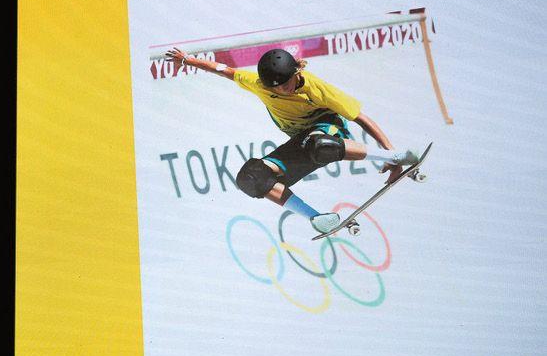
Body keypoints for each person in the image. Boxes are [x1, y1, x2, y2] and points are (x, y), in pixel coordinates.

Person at [165, 47, 422, 234]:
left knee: (319, 146)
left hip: (327, 129)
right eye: (275, 88)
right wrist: (188, 60)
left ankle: (394, 156)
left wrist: (393, 154)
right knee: (252, 178)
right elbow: (224, 70)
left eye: (286, 83)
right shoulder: (259, 84)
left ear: (296, 71)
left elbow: (361, 118)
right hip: (300, 140)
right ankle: (317, 218)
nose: (282, 90)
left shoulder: (317, 88)